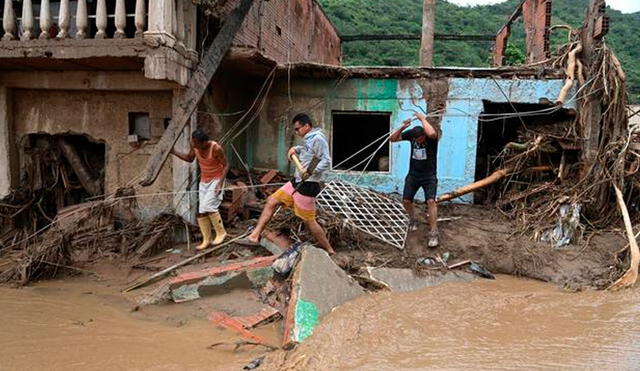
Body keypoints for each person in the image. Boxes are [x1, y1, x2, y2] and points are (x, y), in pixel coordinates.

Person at [238, 113, 335, 254]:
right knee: (272, 201)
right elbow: (308, 152)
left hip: (307, 185)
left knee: (309, 221)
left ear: (307, 126)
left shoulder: (318, 139)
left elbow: (326, 160)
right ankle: (254, 236)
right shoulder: (309, 138)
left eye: (298, 129)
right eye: (295, 130)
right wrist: (296, 149)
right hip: (296, 182)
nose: (296, 132)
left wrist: (310, 172)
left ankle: (329, 249)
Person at [171, 128, 228, 250]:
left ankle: (221, 233)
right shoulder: (196, 146)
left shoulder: (215, 148)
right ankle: (206, 239)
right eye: (193, 143)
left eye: (196, 143)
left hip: (216, 179)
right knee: (201, 211)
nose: (194, 145)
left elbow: (226, 165)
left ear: (203, 142)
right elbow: (189, 158)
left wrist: (220, 183)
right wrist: (174, 152)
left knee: (209, 206)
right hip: (204, 181)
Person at [390, 112, 440, 247]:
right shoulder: (412, 135)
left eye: (420, 139)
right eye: (416, 139)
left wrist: (423, 118)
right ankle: (413, 220)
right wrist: (403, 127)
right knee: (406, 200)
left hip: (429, 175)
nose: (418, 141)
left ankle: (434, 232)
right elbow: (392, 139)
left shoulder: (431, 138)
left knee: (431, 201)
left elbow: (432, 134)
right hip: (413, 174)